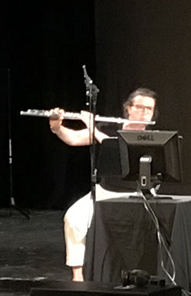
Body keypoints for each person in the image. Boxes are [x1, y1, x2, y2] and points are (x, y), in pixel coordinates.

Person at [48, 87, 157, 281]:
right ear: (128, 109)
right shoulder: (109, 128)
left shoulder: (150, 136)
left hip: (135, 194)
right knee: (73, 218)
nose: (144, 113)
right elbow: (72, 139)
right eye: (140, 107)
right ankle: (78, 276)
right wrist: (57, 126)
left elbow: (116, 149)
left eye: (149, 109)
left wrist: (92, 127)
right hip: (105, 190)